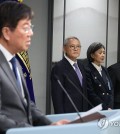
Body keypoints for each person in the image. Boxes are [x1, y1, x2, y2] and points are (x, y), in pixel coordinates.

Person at [0, 1, 69, 134]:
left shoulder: (14, 63)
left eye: (31, 27)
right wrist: (33, 131)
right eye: (25, 28)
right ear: (7, 32)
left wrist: (50, 125)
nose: (31, 33)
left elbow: (26, 104)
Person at [51, 36, 89, 114]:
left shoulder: (82, 66)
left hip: (83, 112)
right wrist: (60, 116)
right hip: (68, 113)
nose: (76, 49)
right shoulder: (59, 67)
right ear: (64, 49)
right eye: (72, 46)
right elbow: (57, 96)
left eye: (78, 46)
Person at [85, 42, 113, 110]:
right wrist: (104, 107)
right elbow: (90, 93)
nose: (103, 55)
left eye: (104, 53)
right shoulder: (87, 70)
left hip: (108, 108)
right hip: (95, 108)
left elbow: (110, 90)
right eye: (100, 53)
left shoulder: (104, 69)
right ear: (92, 55)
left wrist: (110, 105)